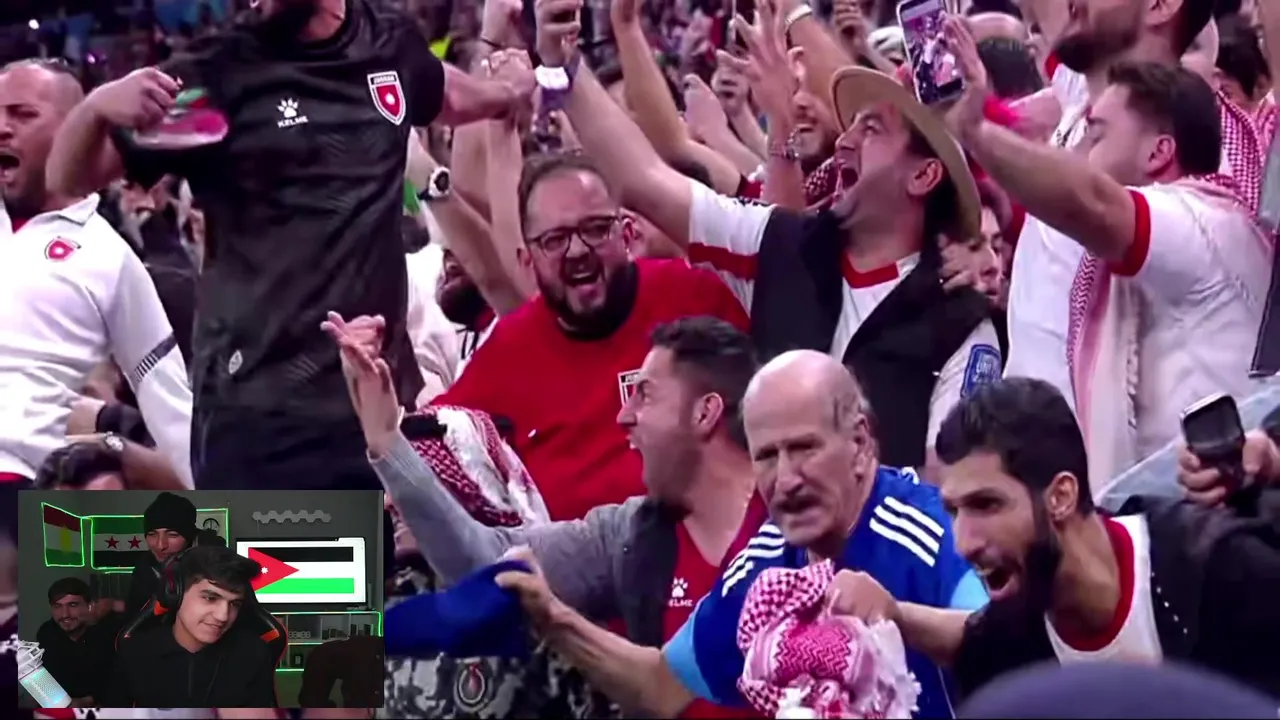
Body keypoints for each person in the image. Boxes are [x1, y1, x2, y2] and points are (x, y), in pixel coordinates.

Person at [46, 0, 536, 493]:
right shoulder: (216, 74)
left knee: (383, 546)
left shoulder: (388, 42)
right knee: (289, 551)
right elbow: (69, 179)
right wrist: (94, 109)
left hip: (376, 403)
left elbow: (445, 92)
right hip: (261, 417)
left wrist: (505, 92)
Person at [536, 0, 999, 473]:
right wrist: (564, 66)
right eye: (852, 127)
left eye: (872, 130)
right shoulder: (778, 244)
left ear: (922, 175)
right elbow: (645, 180)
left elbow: (950, 488)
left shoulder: (961, 324)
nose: (844, 141)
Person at [493, 350, 988, 718]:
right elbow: (662, 686)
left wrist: (896, 615)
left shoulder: (931, 532)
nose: (786, 479)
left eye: (804, 448)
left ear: (859, 444)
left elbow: (1001, 641)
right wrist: (555, 620)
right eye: (767, 456)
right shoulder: (766, 562)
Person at [343, 316, 764, 717]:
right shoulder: (629, 537)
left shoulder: (791, 533)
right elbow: (488, 563)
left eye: (646, 394)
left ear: (704, 413)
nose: (624, 415)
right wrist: (388, 444)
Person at [942, 18, 1270, 487]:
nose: (1078, 152)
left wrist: (975, 131)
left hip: (1218, 512)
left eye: (1096, 136)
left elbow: (1094, 202)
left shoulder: (1203, 223)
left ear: (1158, 153)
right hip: (1154, 508)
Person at [828, 377, 1280, 701]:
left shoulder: (1221, 571)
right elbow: (971, 639)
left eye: (986, 505)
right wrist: (892, 612)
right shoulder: (1018, 636)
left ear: (1061, 496)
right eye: (953, 511)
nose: (964, 544)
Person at [0, 59, 193, 488]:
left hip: (28, 486)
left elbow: (170, 405)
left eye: (22, 114)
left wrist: (229, 513)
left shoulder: (109, 257)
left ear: (73, 130)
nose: (2, 128)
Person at [107, 544, 277, 708]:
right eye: (210, 598)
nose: (223, 616)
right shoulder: (135, 652)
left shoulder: (254, 654)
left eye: (234, 604)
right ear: (175, 595)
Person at [34, 578, 117, 707]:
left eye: (73, 605)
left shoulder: (108, 632)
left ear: (89, 606)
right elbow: (46, 682)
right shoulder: (47, 633)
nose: (65, 614)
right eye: (57, 606)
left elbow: (116, 680)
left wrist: (88, 701)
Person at [124, 491, 198, 617]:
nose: (160, 545)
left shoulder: (209, 569)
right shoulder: (143, 567)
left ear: (189, 538)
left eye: (172, 535)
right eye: (152, 534)